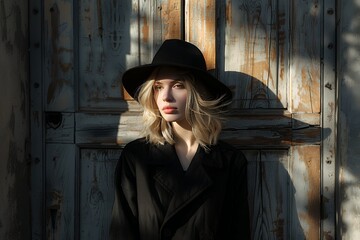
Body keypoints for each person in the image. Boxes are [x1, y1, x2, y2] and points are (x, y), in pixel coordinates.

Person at [110, 39, 250, 240]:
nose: (166, 96)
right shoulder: (136, 158)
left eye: (178, 85)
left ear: (196, 92)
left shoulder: (229, 162)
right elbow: (121, 232)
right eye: (158, 87)